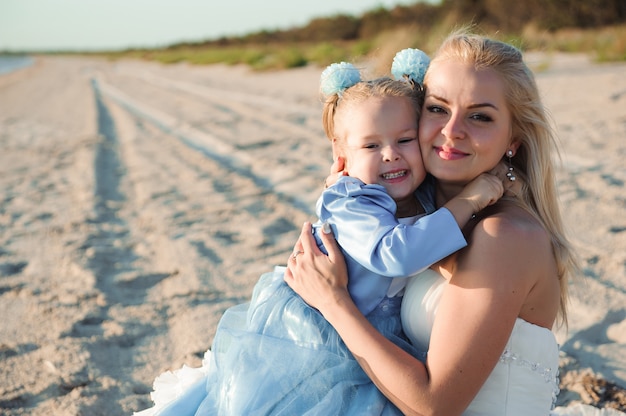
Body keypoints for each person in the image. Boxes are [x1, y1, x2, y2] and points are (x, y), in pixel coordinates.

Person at [135, 49, 505, 416]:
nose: (391, 154)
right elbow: (398, 253)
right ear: (341, 154)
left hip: (371, 331)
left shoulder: (419, 194)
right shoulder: (351, 201)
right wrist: (467, 203)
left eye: (404, 140)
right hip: (315, 337)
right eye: (371, 145)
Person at [285, 30, 582, 416]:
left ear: (514, 139)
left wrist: (333, 302)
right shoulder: (419, 213)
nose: (451, 130)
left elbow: (433, 405)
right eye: (438, 108)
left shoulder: (503, 235)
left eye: (480, 116)